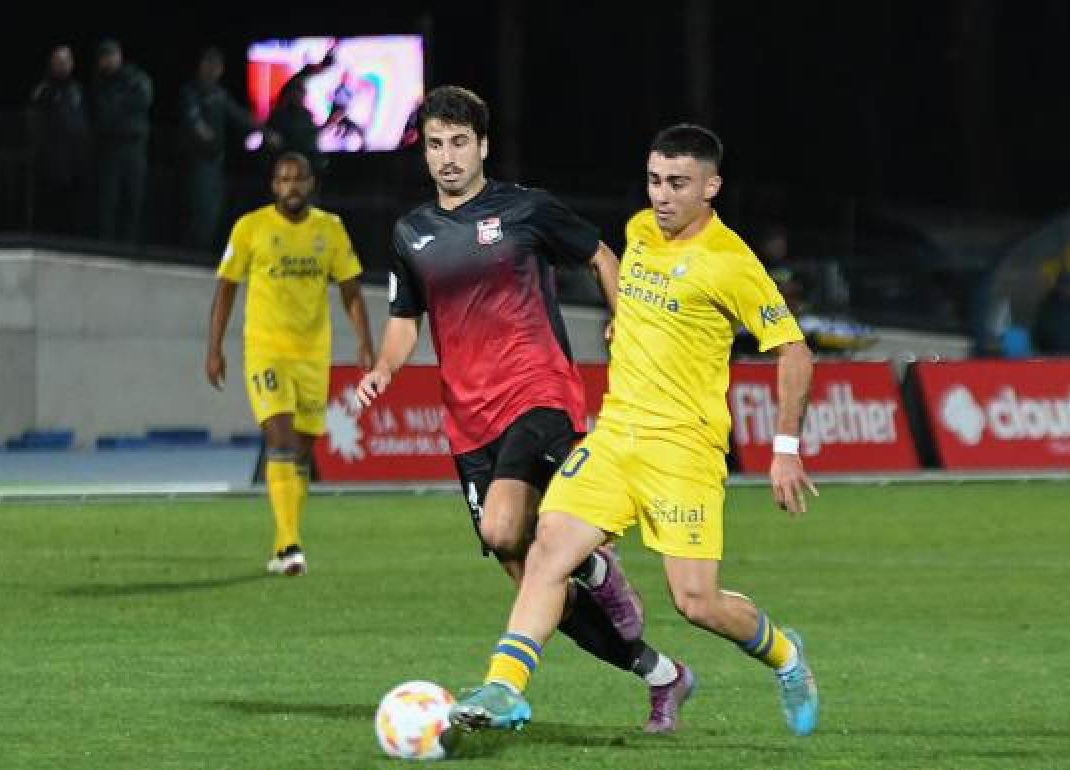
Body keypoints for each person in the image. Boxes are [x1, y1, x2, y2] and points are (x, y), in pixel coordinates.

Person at [447, 124, 821, 737]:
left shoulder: (731, 264)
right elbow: (635, 291)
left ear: (711, 187)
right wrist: (630, 324)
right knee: (547, 552)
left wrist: (784, 451)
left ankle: (785, 655)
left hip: (684, 451)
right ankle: (504, 688)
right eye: (654, 180)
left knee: (696, 602)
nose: (662, 196)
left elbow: (795, 353)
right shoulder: (639, 230)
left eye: (678, 183)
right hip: (617, 436)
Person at [354, 85, 692, 733]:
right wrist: (382, 368)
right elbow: (404, 320)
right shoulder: (410, 233)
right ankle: (663, 675)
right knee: (536, 582)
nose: (447, 156)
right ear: (423, 153)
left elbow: (600, 254)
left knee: (503, 527)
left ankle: (581, 580)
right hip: (467, 421)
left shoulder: (526, 210)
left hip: (538, 394)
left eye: (459, 142)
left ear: (483, 145)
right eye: (434, 145)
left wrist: (626, 318)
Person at [206, 152, 374, 576]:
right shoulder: (251, 228)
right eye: (283, 179)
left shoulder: (330, 231)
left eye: (298, 179)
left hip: (312, 356)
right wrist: (214, 348)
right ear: (273, 186)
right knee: (279, 439)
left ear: (310, 184)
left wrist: (365, 343)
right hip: (266, 350)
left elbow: (350, 288)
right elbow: (226, 288)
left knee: (300, 450)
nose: (291, 186)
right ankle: (290, 546)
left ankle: (284, 542)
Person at [178, 47, 275, 251]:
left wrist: (266, 131)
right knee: (201, 210)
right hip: (197, 161)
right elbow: (194, 121)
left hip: (215, 162)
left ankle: (202, 253)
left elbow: (240, 117)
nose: (211, 70)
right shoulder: (191, 91)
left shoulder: (220, 95)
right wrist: (204, 134)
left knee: (214, 210)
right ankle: (192, 253)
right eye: (207, 64)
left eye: (216, 66)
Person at [88, 39, 152, 244]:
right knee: (108, 201)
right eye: (104, 57)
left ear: (119, 56)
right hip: (111, 149)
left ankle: (129, 246)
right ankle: (106, 245)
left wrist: (119, 106)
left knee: (133, 200)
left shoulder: (136, 78)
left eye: (111, 56)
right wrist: (121, 106)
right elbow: (104, 113)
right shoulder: (100, 83)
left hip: (134, 149)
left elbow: (143, 99)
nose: (108, 61)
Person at [27, 45, 89, 236]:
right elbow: (34, 125)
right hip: (49, 164)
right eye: (58, 61)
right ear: (51, 64)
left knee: (72, 213)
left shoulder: (79, 90)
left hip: (75, 164)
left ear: (71, 64)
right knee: (48, 212)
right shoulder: (43, 90)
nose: (62, 66)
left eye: (65, 61)